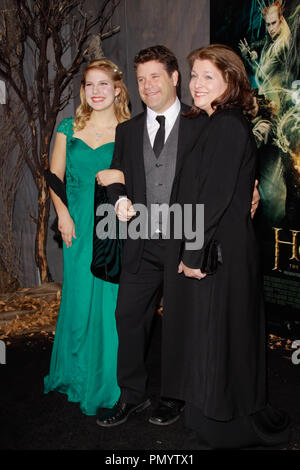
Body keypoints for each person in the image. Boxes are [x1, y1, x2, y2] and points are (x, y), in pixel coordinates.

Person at [96, 45, 260, 428]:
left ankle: (174, 397)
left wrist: (254, 190)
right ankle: (132, 396)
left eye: (155, 76)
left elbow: (230, 170)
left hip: (185, 237)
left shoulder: (204, 120)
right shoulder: (127, 130)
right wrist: (118, 197)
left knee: (182, 321)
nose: (148, 85)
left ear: (174, 78)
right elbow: (117, 173)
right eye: (140, 79)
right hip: (140, 238)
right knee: (128, 317)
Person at [161, 44, 290, 449]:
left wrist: (193, 256)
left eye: (207, 77)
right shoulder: (218, 123)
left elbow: (212, 199)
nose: (196, 85)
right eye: (194, 75)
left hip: (218, 254)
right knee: (211, 334)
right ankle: (209, 416)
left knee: (215, 334)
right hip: (221, 248)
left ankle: (222, 424)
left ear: (231, 82)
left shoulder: (227, 126)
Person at [44, 59, 130, 415]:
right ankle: (74, 375)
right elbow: (54, 175)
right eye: (89, 85)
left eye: (103, 85)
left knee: (109, 303)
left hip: (110, 222)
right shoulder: (68, 126)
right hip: (75, 223)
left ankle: (105, 381)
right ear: (83, 90)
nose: (96, 91)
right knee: (78, 300)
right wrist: (62, 215)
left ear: (117, 90)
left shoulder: (129, 129)